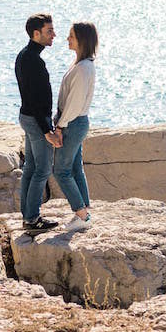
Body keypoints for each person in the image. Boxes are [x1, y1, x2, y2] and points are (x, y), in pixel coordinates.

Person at [15, 11, 63, 234]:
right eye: (49, 31)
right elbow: (36, 100)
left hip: (27, 118)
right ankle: (32, 219)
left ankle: (27, 216)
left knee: (30, 169)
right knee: (42, 170)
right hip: (35, 121)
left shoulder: (25, 56)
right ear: (36, 34)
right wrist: (47, 130)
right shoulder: (33, 60)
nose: (54, 34)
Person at [53, 21, 98, 232]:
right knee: (74, 167)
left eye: (71, 36)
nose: (67, 39)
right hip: (76, 122)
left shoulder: (82, 69)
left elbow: (74, 103)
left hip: (72, 122)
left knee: (61, 171)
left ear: (81, 40)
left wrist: (60, 126)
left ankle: (82, 215)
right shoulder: (83, 65)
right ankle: (85, 211)